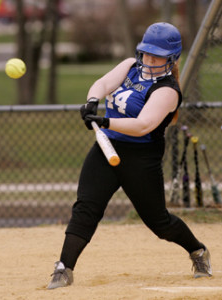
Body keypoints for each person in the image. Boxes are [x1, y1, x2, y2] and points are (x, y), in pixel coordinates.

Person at [47, 22, 212, 289]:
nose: (149, 59)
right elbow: (102, 83)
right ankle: (64, 268)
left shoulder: (168, 90)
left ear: (172, 60)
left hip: (141, 158)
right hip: (106, 149)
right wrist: (92, 102)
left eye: (157, 55)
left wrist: (105, 121)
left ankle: (198, 251)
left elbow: (143, 125)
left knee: (159, 222)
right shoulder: (129, 67)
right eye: (147, 52)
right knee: (86, 207)